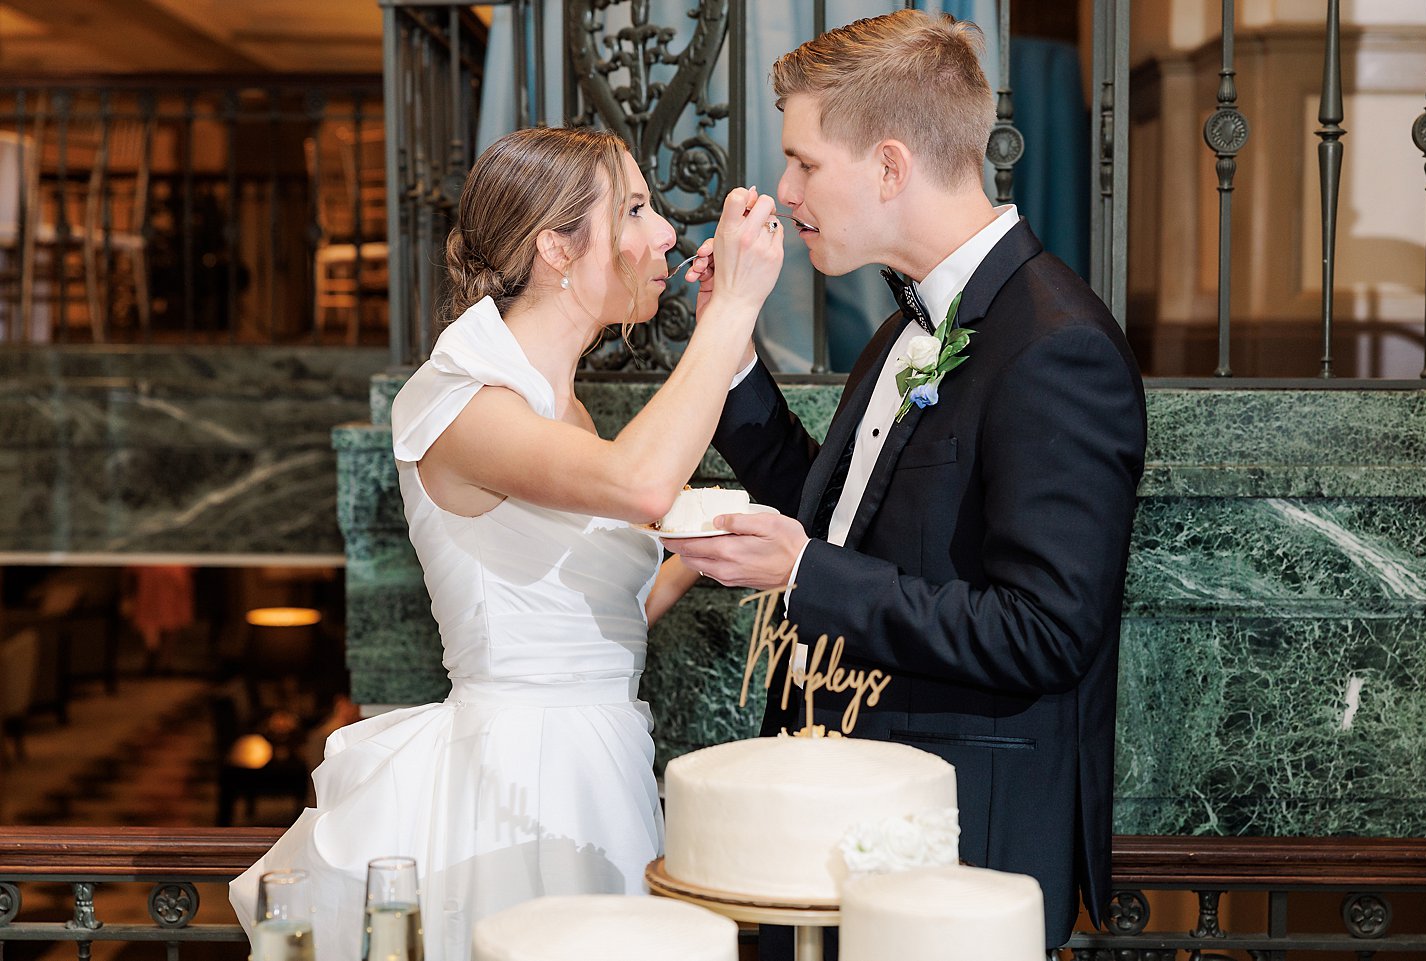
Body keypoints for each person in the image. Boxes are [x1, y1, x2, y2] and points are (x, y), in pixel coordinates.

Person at [229, 125, 784, 961]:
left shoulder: (564, 410)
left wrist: (704, 555)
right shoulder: (459, 403)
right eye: (635, 208)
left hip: (605, 761)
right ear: (556, 247)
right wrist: (734, 308)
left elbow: (592, 609)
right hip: (521, 781)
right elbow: (638, 483)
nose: (667, 232)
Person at [662, 11, 1147, 953]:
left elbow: (1045, 632)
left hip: (960, 839)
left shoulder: (1059, 348)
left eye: (805, 162)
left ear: (889, 166)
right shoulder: (902, 330)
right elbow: (842, 514)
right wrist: (727, 349)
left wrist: (806, 574)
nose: (786, 190)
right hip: (841, 817)